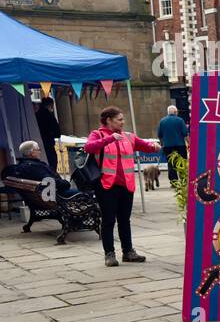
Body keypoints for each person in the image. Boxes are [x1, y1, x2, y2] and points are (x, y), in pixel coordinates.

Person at [84, 106, 159, 267]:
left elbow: (144, 145)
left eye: (122, 119)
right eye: (119, 119)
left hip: (126, 184)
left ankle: (128, 252)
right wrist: (110, 139)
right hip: (106, 185)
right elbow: (88, 147)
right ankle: (109, 254)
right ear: (108, 120)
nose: (123, 122)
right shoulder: (97, 134)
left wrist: (154, 146)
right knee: (108, 220)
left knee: (125, 220)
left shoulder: (128, 136)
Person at [2, 140, 72, 198]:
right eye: (38, 150)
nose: (40, 152)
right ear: (32, 153)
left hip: (41, 198)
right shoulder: (34, 167)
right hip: (54, 197)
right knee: (81, 194)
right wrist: (66, 183)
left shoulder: (22, 166)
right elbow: (50, 181)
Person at [156, 104, 189, 183]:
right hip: (180, 146)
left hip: (168, 146)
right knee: (181, 162)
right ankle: (183, 180)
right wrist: (189, 144)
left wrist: (162, 144)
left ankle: (173, 181)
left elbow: (159, 135)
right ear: (175, 112)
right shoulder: (180, 120)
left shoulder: (162, 121)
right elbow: (185, 134)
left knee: (171, 164)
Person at [35, 97, 60, 173]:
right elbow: (57, 133)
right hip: (48, 145)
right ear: (51, 105)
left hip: (38, 145)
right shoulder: (50, 116)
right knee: (52, 167)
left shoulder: (35, 115)